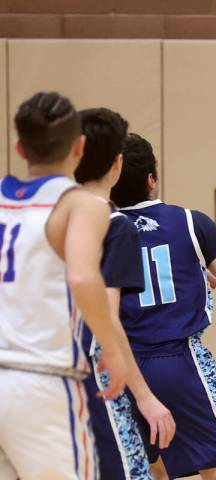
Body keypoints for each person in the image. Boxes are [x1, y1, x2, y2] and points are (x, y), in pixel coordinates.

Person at [110, 133, 216, 480]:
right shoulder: (190, 222)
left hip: (125, 367)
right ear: (152, 179)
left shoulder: (103, 230)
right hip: (181, 363)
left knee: (153, 469)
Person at [0, 91, 128, 479]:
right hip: (43, 380)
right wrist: (111, 347)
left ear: (19, 147)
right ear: (79, 146)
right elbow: (83, 276)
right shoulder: (81, 205)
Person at [75, 107, 176, 479]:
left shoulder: (43, 216)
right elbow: (108, 321)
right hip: (86, 372)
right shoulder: (112, 224)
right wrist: (146, 398)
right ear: (116, 164)